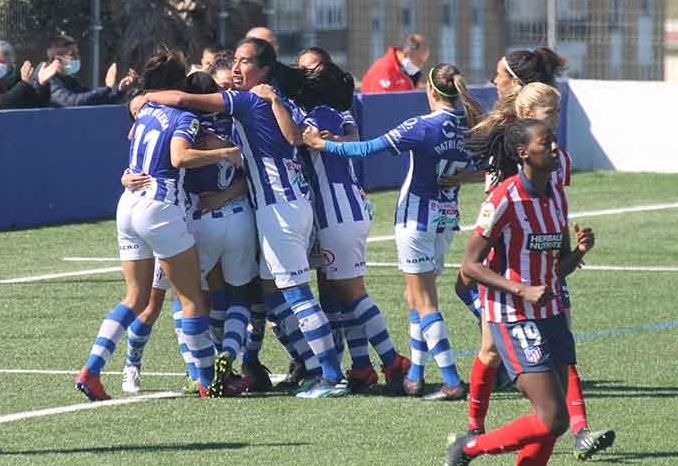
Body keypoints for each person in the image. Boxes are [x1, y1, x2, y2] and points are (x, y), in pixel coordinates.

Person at [143, 38, 349, 398]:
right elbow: (296, 138)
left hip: (278, 211)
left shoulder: (248, 99)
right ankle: (311, 365)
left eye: (245, 62)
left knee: (297, 294)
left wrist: (144, 99)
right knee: (271, 296)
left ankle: (331, 376)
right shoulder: (282, 100)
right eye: (235, 61)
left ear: (265, 70)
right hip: (294, 205)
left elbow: (183, 100)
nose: (237, 69)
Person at [302, 63, 483, 400]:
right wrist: (461, 178)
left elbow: (366, 149)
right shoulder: (467, 126)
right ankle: (414, 374)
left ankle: (451, 380)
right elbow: (484, 168)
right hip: (446, 218)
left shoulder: (421, 126)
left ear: (429, 90)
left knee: (425, 300)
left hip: (416, 218)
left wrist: (323, 145)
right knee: (414, 296)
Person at [459, 83, 615, 461]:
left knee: (551, 419)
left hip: (549, 310)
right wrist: (520, 289)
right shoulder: (504, 196)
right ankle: (472, 440)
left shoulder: (557, 195)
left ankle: (576, 430)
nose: (556, 145)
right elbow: (469, 264)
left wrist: (578, 252)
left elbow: (556, 265)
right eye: (547, 138)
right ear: (524, 151)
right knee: (548, 413)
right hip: (511, 311)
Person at [75, 50, 242, 400]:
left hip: (129, 205)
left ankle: (91, 370)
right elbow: (179, 156)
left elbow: (139, 140)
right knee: (193, 298)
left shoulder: (145, 110)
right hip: (161, 208)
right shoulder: (185, 118)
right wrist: (224, 154)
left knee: (135, 298)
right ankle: (207, 381)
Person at [258, 60, 412, 394]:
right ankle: (362, 367)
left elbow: (300, 138)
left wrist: (274, 102)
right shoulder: (330, 112)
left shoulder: (321, 114)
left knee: (352, 294)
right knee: (342, 296)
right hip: (339, 211)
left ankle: (391, 359)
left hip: (337, 213)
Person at [41, 35, 138, 107]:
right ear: (57, 58)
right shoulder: (49, 80)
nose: (77, 58)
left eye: (78, 54)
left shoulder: (69, 78)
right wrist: (107, 88)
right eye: (72, 54)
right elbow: (71, 102)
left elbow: (93, 98)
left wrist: (119, 89)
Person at [0, 40, 57, 110]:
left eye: (0, 61)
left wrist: (42, 84)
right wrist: (24, 84)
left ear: (11, 63)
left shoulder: (19, 77)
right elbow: (0, 103)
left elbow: (38, 104)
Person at [360, 34, 429, 93]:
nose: (420, 66)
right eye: (419, 61)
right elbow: (379, 102)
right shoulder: (384, 69)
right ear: (406, 53)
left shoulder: (411, 74)